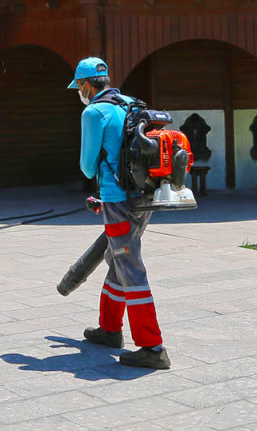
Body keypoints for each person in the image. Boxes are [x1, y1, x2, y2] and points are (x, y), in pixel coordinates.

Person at [70, 56, 170, 370]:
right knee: (118, 258)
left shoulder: (93, 112)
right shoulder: (130, 103)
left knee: (129, 265)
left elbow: (87, 168)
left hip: (118, 199)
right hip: (145, 195)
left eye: (79, 87)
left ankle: (153, 348)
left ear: (86, 84)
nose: (80, 92)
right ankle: (110, 329)